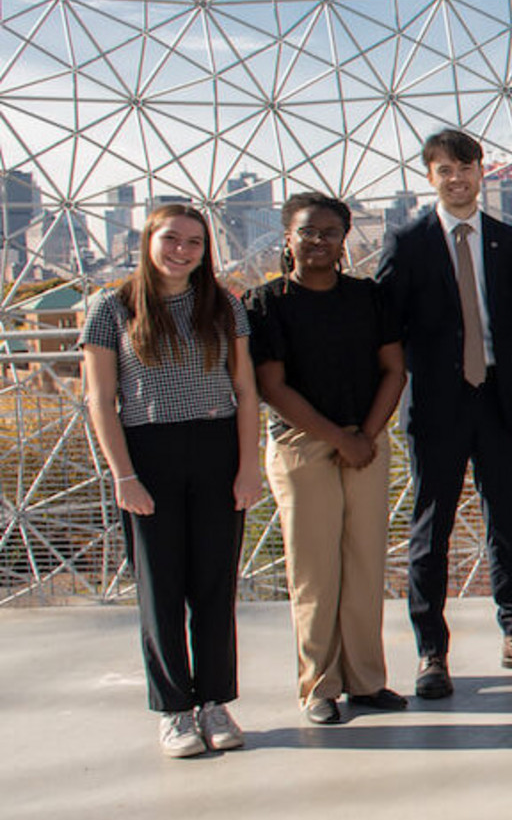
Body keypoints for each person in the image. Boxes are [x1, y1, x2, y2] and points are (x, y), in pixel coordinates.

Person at [376, 128, 512, 698]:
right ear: (429, 177)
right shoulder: (406, 242)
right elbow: (386, 328)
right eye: (444, 171)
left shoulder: (510, 240)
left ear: (483, 171)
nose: (457, 179)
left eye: (466, 168)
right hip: (435, 403)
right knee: (431, 528)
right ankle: (431, 650)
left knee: (505, 520)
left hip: (497, 399)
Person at [81, 205, 262, 757]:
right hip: (149, 452)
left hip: (216, 446)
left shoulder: (225, 304)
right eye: (171, 239)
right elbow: (101, 400)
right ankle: (173, 711)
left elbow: (246, 390)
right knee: (160, 589)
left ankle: (214, 701)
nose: (181, 251)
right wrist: (124, 476)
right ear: (147, 240)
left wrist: (247, 465)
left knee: (214, 585)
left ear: (206, 251)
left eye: (194, 243)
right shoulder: (111, 307)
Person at [247, 194, 410, 725]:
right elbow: (272, 387)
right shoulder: (266, 302)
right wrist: (343, 441)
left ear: (345, 240)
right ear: (287, 237)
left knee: (365, 563)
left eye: (329, 233)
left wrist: (364, 435)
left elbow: (395, 370)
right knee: (314, 571)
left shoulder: (369, 297)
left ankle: (366, 681)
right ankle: (318, 685)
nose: (318, 241)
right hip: (302, 444)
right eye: (307, 231)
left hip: (366, 440)